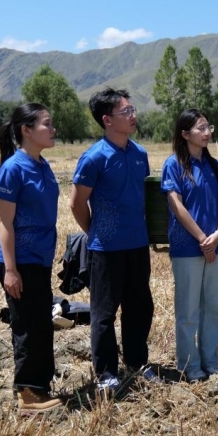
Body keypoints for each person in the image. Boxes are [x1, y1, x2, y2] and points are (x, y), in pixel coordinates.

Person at [70, 88, 155, 394]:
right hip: (106, 249)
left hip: (137, 244)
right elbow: (77, 203)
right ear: (107, 120)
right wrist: (95, 231)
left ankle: (136, 363)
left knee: (140, 307)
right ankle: (106, 373)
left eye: (133, 110)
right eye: (126, 111)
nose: (133, 116)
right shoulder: (94, 157)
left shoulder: (140, 154)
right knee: (104, 314)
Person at [0, 103, 62, 412]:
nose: (53, 129)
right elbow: (5, 224)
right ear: (27, 130)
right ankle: (27, 395)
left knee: (41, 324)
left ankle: (39, 388)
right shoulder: (13, 169)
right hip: (19, 261)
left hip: (39, 260)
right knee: (28, 326)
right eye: (47, 124)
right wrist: (11, 270)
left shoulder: (42, 164)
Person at [161, 109, 218, 382]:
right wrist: (202, 238)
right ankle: (190, 366)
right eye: (201, 128)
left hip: (216, 246)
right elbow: (177, 206)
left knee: (213, 307)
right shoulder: (174, 164)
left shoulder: (214, 166)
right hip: (187, 248)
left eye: (208, 127)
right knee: (188, 310)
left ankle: (211, 362)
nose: (207, 132)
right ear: (185, 134)